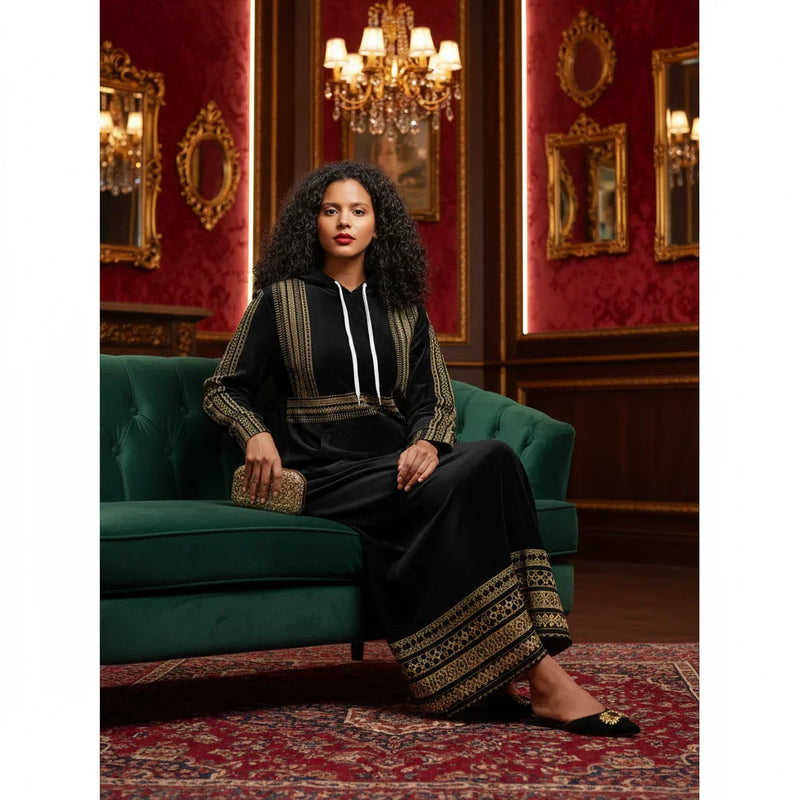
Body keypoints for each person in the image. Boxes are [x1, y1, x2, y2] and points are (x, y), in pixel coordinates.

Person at [202, 161, 639, 736]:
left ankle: (499, 671)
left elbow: (435, 400)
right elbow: (222, 386)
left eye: (358, 211)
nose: (343, 222)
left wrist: (429, 444)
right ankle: (543, 679)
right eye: (330, 210)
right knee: (478, 470)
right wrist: (254, 431)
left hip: (393, 465)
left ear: (378, 226)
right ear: (312, 223)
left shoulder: (404, 307)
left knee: (497, 459)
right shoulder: (279, 301)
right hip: (323, 471)